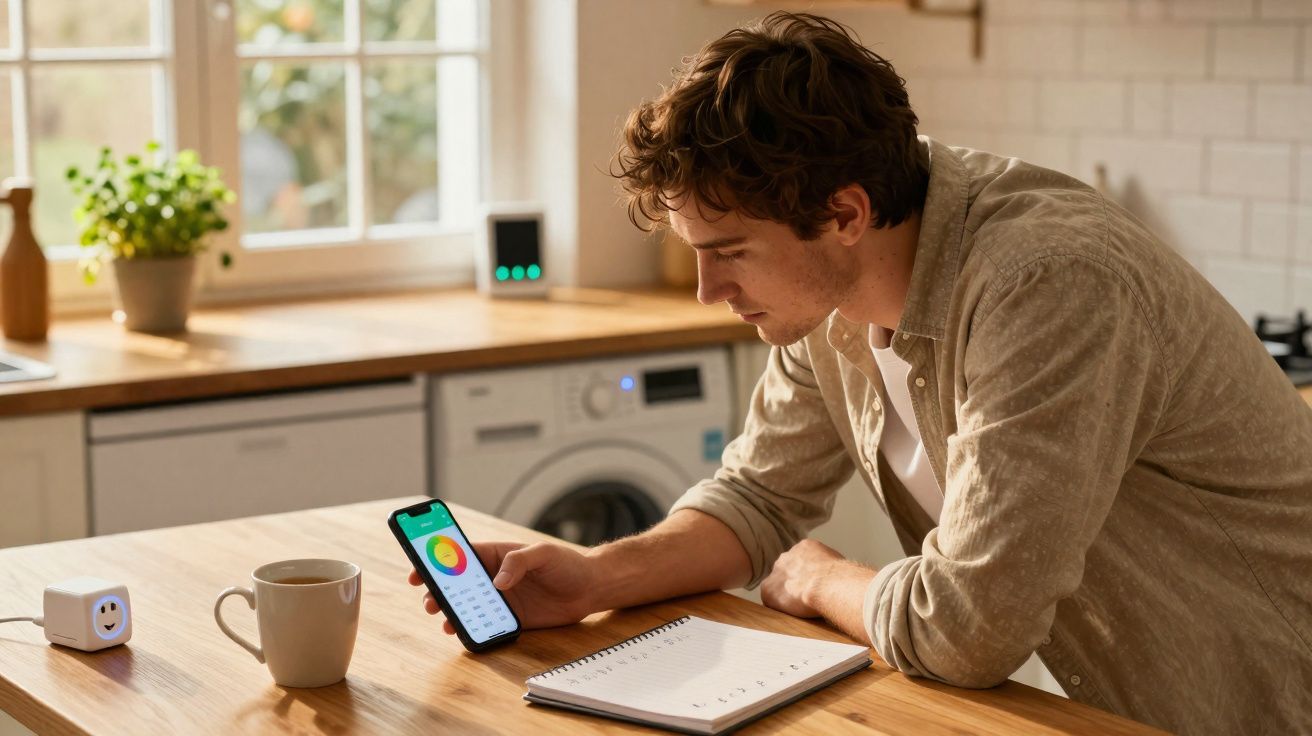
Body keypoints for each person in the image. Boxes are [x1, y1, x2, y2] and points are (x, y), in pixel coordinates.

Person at [409, 12, 1312, 733]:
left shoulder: (1047, 285)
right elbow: (758, 500)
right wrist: (596, 576)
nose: (707, 291)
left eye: (729, 252)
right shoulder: (832, 291)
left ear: (844, 214)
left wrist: (821, 579)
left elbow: (967, 630)